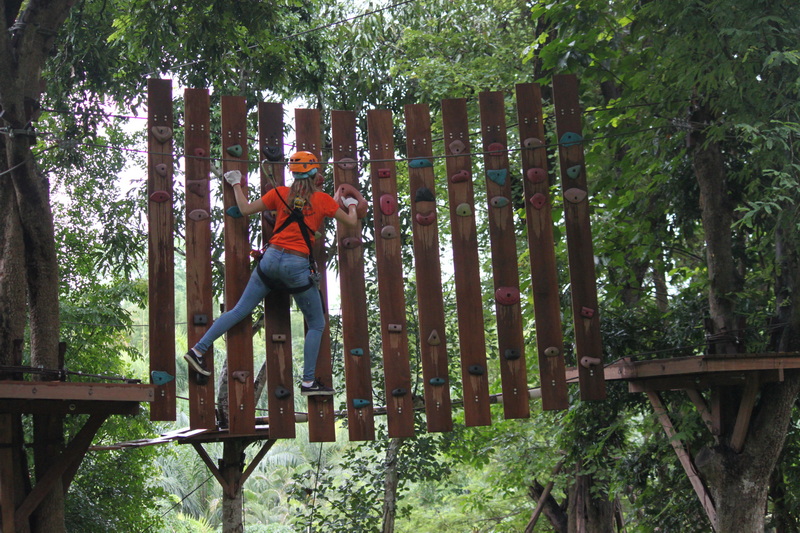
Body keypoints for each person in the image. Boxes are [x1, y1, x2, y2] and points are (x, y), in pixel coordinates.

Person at [184, 151, 359, 396]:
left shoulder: (278, 193)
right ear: (315, 174)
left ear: (293, 173)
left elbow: (244, 208)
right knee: (316, 323)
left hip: (270, 259)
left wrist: (235, 182)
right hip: (296, 266)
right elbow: (352, 221)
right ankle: (308, 382)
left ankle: (198, 350)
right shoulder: (323, 201)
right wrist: (351, 205)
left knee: (238, 311)